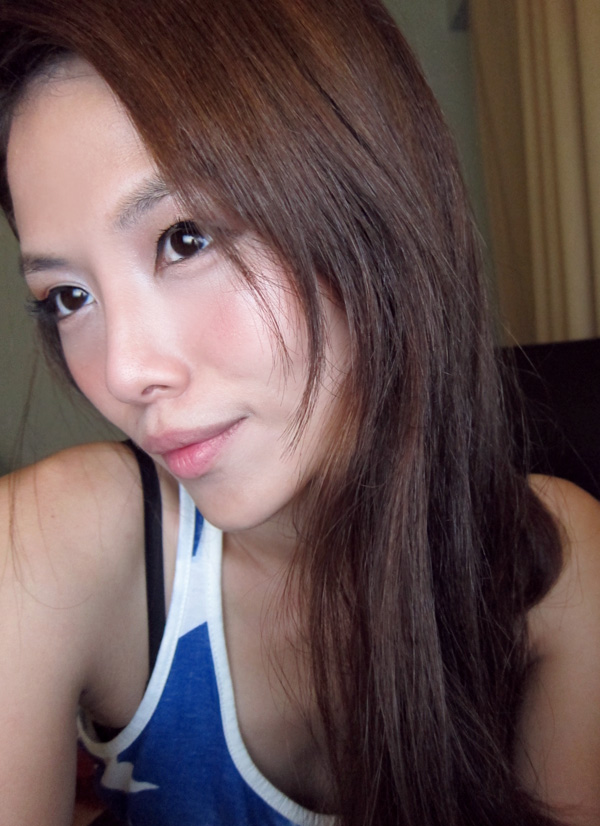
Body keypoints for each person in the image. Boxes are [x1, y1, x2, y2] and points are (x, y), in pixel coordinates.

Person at [0, 1, 599, 824]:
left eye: (185, 239)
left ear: (369, 204)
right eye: (67, 297)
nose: (125, 371)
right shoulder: (53, 540)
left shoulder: (555, 570)